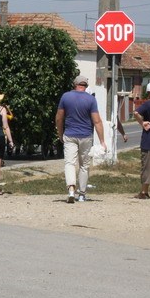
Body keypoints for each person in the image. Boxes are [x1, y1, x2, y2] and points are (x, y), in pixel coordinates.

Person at [55, 75, 107, 203]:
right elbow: (97, 121)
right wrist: (102, 141)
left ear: (74, 85)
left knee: (69, 163)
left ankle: (71, 190)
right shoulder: (91, 100)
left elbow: (59, 118)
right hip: (86, 136)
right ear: (86, 86)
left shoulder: (65, 97)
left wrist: (60, 134)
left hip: (70, 134)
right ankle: (82, 194)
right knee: (84, 165)